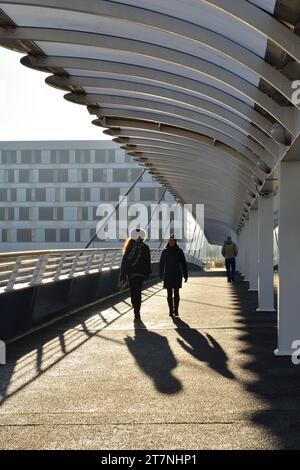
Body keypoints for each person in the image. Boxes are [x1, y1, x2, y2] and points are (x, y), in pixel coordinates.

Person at [120, 227, 151, 321]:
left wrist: (147, 273)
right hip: (131, 273)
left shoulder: (145, 247)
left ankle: (137, 313)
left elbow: (147, 261)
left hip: (140, 274)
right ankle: (136, 309)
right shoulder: (129, 246)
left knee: (137, 292)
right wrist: (123, 273)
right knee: (133, 293)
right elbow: (125, 261)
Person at [159, 235, 188, 317]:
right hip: (168, 274)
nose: (171, 242)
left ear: (175, 241)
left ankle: (176, 310)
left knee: (176, 292)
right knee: (169, 293)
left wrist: (185, 275)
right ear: (168, 241)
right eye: (170, 240)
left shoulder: (179, 251)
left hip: (177, 274)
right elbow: (161, 264)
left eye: (173, 240)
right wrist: (161, 274)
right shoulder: (165, 251)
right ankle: (171, 310)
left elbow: (183, 264)